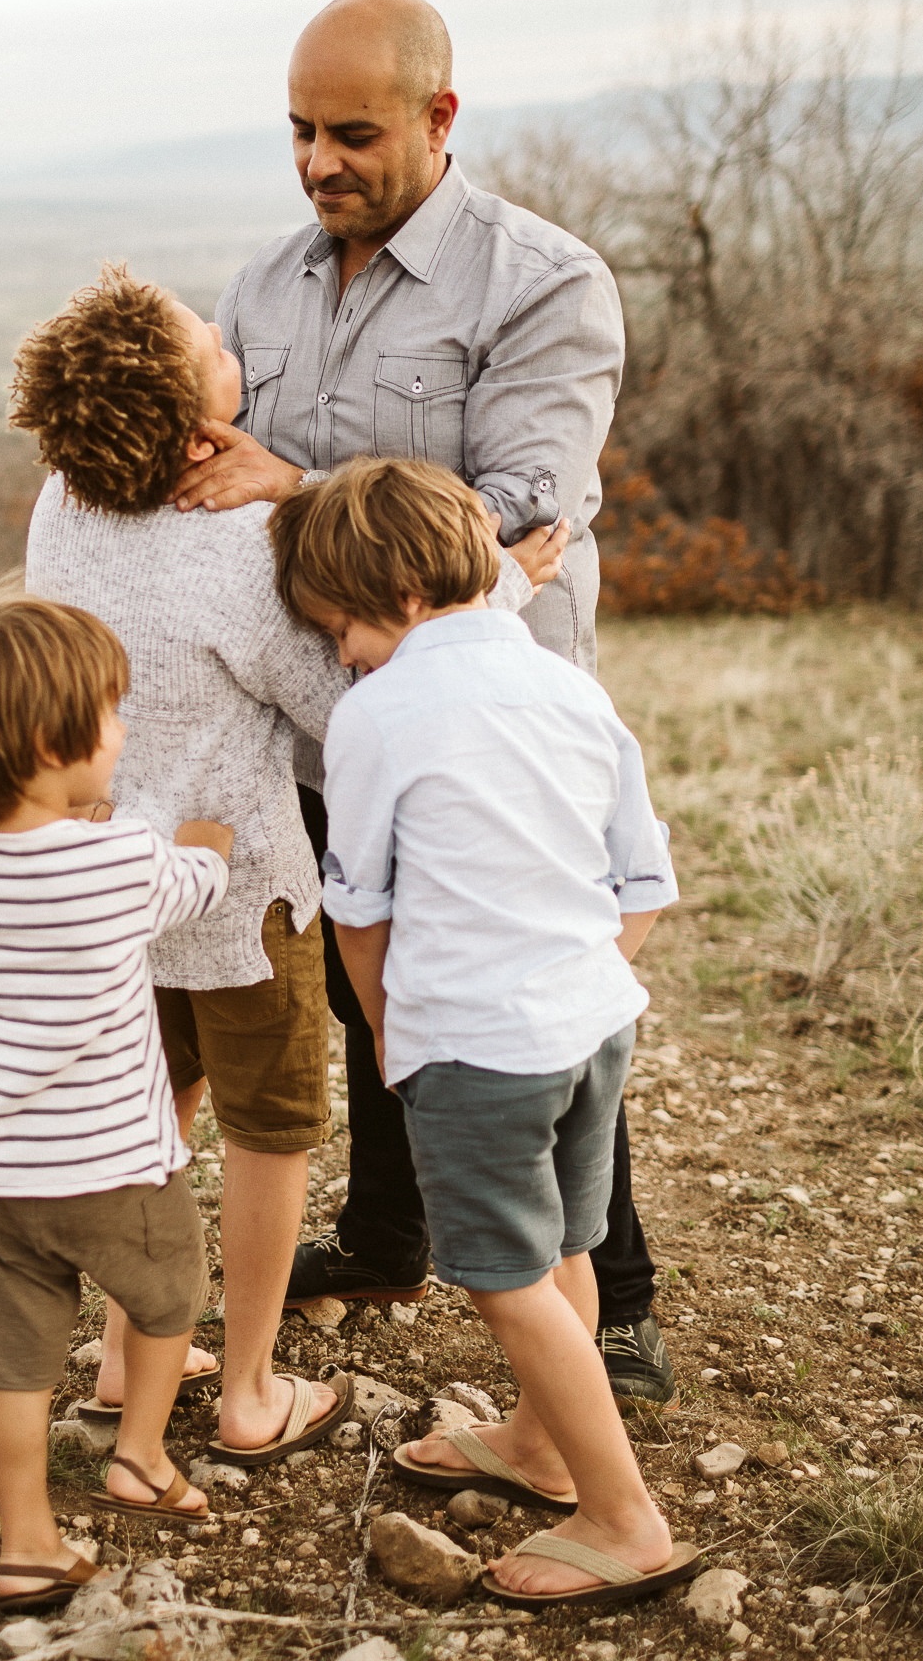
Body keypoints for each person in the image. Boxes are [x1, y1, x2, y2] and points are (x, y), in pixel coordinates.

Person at [173, 0, 673, 1407]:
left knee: (524, 990)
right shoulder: (264, 284)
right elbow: (219, 472)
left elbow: (521, 505)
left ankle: (616, 1307)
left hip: (487, 716)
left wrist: (294, 488)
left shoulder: (544, 282)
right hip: (324, 704)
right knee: (360, 973)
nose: (318, 160)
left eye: (351, 132)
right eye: (297, 132)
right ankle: (391, 1237)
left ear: (439, 119)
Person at [16, 264, 579, 1461]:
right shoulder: (238, 543)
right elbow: (350, 692)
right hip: (245, 896)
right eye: (207, 340)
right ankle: (252, 1386)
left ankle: (125, 1357)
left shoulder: (58, 509)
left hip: (113, 878)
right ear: (203, 426)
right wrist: (503, 589)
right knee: (271, 1134)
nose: (226, 328)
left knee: (147, 1106)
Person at [268, 458, 697, 1607]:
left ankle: (623, 1514)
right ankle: (543, 1442)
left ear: (398, 597)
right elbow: (644, 883)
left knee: (504, 1277)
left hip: (476, 1043)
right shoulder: (572, 689)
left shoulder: (375, 715)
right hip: (595, 1020)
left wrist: (400, 1033)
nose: (341, 653)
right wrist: (571, 984)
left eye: (341, 627)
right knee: (565, 1243)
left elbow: (360, 913)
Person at [0, 594, 232, 1612]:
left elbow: (42, 863)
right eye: (110, 712)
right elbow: (194, 881)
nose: (124, 728)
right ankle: (138, 1454)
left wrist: (73, 809)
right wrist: (211, 841)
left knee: (14, 1359)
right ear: (52, 742)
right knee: (169, 1295)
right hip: (114, 1165)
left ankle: (29, 1540)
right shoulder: (124, 854)